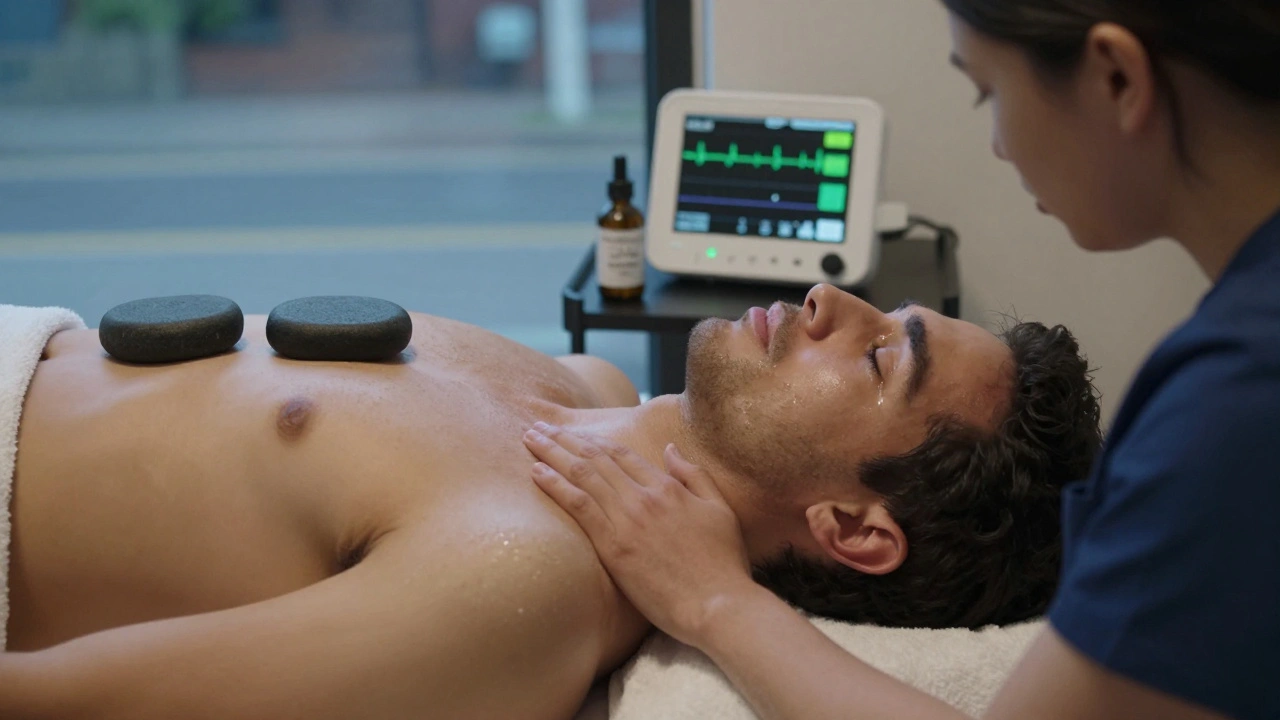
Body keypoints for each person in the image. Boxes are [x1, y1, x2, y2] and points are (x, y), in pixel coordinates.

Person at [525, 2, 1280, 719]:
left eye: (988, 92)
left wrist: (715, 602)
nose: (1000, 143)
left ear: (1116, 77)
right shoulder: (596, 384)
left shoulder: (1239, 406)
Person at [0, 283, 1097, 719]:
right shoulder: (592, 389)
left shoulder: (526, 578)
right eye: (875, 307)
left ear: (854, 530)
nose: (827, 296)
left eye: (874, 360)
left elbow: (61, 704)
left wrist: (719, 606)